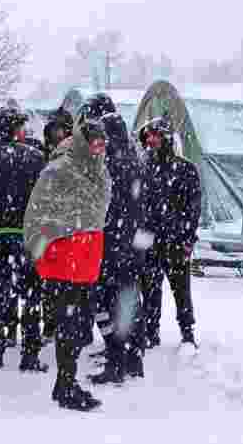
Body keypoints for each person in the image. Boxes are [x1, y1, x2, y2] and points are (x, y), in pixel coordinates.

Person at [24, 113, 111, 412]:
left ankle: (67, 382)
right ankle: (66, 384)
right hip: (65, 257)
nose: (100, 148)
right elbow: (36, 213)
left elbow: (99, 210)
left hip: (87, 256)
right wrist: (41, 247)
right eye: (96, 143)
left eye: (103, 143)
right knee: (69, 322)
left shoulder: (98, 169)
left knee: (80, 324)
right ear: (84, 143)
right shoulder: (59, 169)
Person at [80, 94, 147, 385]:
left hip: (110, 245)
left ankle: (116, 360)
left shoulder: (107, 166)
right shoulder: (135, 161)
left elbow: (99, 206)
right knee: (129, 299)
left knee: (104, 301)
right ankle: (132, 359)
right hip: (131, 245)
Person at [0, 105, 49, 372]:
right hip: (27, 236)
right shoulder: (35, 158)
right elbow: (45, 199)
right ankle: (30, 352)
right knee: (32, 295)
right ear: (17, 128)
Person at [137, 115, 202, 350]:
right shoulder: (142, 168)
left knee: (181, 289)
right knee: (149, 289)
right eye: (149, 136)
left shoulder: (185, 169)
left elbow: (193, 209)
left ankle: (187, 332)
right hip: (149, 241)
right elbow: (137, 204)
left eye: (155, 135)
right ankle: (150, 332)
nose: (151, 140)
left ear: (165, 138)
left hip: (175, 240)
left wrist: (187, 239)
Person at [37, 105, 74, 343]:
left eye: (61, 129)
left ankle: (66, 324)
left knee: (69, 280)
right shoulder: (43, 154)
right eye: (54, 129)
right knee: (50, 280)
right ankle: (51, 324)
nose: (57, 134)